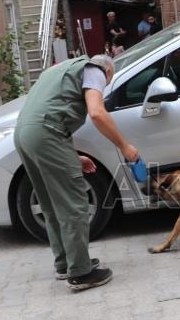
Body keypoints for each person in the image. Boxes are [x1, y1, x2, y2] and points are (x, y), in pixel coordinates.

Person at [13, 54, 139, 291]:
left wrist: (72, 154)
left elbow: (50, 112)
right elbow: (97, 112)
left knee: (51, 202)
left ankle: (65, 263)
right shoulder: (95, 71)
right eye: (107, 83)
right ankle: (81, 273)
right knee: (74, 203)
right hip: (47, 135)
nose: (104, 85)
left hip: (24, 134)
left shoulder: (59, 70)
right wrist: (124, 146)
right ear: (108, 72)